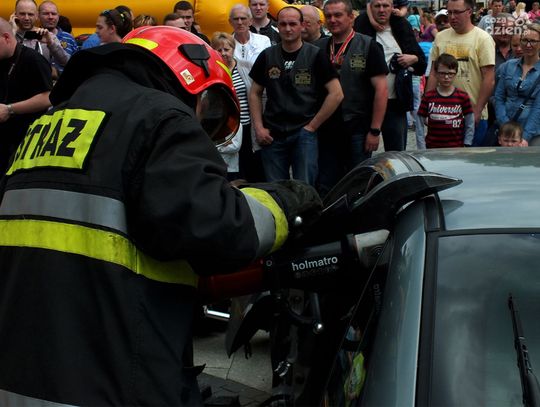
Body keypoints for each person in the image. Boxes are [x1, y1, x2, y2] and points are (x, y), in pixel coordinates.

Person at [0, 25, 322, 406]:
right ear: (189, 76)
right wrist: (284, 203)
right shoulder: (157, 116)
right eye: (207, 111)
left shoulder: (48, 123)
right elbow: (221, 228)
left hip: (23, 374)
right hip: (109, 379)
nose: (202, 124)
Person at [249, 6, 343, 185]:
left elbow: (336, 93)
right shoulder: (267, 55)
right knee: (276, 189)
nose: (288, 28)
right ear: (277, 26)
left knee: (305, 188)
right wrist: (259, 128)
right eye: (283, 24)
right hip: (272, 134)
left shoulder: (315, 55)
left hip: (303, 133)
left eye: (292, 24)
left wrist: (312, 126)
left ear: (302, 25)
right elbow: (254, 92)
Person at [316, 0, 388, 196]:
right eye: (328, 16)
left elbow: (382, 90)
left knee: (357, 183)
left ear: (351, 18)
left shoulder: (368, 46)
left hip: (358, 128)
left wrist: (375, 130)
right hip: (326, 129)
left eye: (338, 15)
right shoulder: (318, 47)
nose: (333, 20)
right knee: (326, 183)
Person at [354, 0, 427, 151]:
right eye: (377, 6)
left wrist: (413, 58)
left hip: (395, 104)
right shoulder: (361, 26)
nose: (381, 10)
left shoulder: (401, 26)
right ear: (370, 8)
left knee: (396, 154)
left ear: (392, 7)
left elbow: (421, 65)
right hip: (366, 103)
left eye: (385, 6)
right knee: (362, 152)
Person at [427, 0, 495, 146]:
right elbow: (433, 73)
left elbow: (489, 78)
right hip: (442, 113)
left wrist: (477, 110)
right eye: (449, 12)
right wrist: (427, 105)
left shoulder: (483, 39)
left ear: (469, 12)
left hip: (471, 114)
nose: (452, 17)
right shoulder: (440, 37)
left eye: (457, 12)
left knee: (470, 158)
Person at [0, 17, 52, 174]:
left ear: (6, 38)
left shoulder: (33, 59)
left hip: (25, 140)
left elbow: (48, 97)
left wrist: (10, 109)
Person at [229, 4, 271, 182]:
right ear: (230, 22)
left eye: (243, 18)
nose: (240, 22)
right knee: (244, 149)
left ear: (250, 20)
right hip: (239, 104)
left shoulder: (263, 41)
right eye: (236, 19)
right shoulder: (227, 44)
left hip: (263, 100)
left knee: (262, 146)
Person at [494, 22, 540, 145]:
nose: (528, 45)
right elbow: (499, 97)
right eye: (524, 40)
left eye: (533, 41)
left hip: (532, 133)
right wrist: (505, 126)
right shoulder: (508, 66)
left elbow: (538, 108)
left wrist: (525, 137)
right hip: (506, 131)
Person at [211, 32, 247, 181]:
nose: (223, 53)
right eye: (219, 50)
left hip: (245, 124)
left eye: (226, 49)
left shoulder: (244, 68)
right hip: (223, 126)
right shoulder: (212, 70)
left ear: (233, 48)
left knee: (246, 168)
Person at [418, 53, 475, 148]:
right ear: (436, 73)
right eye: (442, 73)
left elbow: (470, 121)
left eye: (450, 73)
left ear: (455, 73)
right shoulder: (428, 97)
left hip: (456, 148)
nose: (446, 77)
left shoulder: (462, 96)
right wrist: (421, 147)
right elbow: (419, 122)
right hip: (432, 148)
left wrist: (467, 143)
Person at [10, 0, 69, 78]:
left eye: (30, 14)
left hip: (41, 84)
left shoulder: (46, 35)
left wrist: (51, 43)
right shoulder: (7, 34)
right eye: (22, 14)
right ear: (15, 15)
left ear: (36, 16)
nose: (26, 18)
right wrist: (12, 33)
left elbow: (66, 62)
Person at [37, 1, 78, 76]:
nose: (50, 17)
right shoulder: (33, 38)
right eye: (46, 13)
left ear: (58, 16)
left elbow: (77, 66)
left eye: (54, 14)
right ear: (38, 16)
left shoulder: (69, 38)